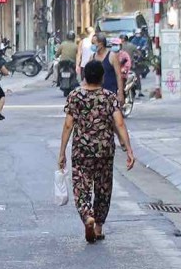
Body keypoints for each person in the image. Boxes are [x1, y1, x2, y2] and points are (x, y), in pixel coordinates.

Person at [58, 60, 136, 242]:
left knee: (80, 185)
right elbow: (119, 123)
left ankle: (87, 215)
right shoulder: (109, 97)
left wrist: (62, 152)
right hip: (105, 151)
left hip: (82, 151)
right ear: (102, 77)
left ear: (84, 76)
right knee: (103, 187)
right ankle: (99, 226)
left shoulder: (75, 96)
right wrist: (129, 149)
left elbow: (69, 124)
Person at [91, 32, 124, 107]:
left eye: (94, 43)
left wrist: (120, 93)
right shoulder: (92, 57)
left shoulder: (112, 56)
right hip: (95, 95)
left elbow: (118, 76)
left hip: (110, 93)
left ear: (101, 44)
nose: (92, 45)